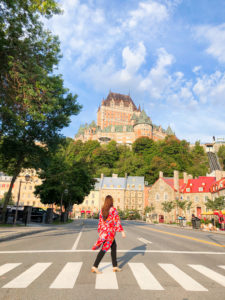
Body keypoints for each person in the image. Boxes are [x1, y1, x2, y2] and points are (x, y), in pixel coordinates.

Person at [91, 195, 126, 274]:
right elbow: (117, 221)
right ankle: (95, 266)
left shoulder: (102, 210)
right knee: (104, 249)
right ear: (111, 201)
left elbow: (100, 222)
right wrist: (122, 231)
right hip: (110, 234)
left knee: (114, 247)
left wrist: (100, 232)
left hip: (104, 233)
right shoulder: (113, 210)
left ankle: (115, 266)